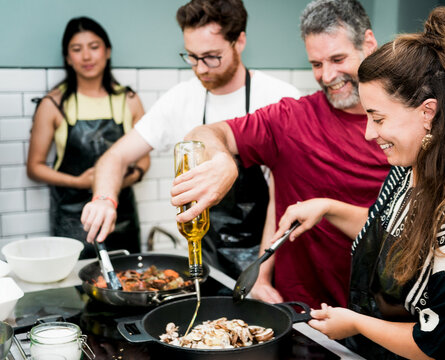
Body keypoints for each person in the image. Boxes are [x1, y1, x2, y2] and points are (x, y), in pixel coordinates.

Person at [272, 7, 445, 360]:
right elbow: (389, 232)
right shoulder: (410, 168)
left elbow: (440, 343)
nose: (369, 133)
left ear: (427, 112)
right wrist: (327, 207)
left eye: (377, 117)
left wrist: (356, 323)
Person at [172, 0, 390, 309]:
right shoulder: (292, 118)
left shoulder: (400, 126)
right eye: (316, 64)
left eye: (337, 59)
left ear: (368, 44)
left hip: (379, 313)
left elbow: (409, 230)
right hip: (302, 312)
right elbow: (204, 133)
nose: (327, 76)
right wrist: (222, 161)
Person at [80, 0, 301, 273]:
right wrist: (104, 198)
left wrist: (262, 274)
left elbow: (290, 194)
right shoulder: (180, 99)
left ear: (239, 41)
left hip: (271, 259)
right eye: (191, 57)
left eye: (211, 56)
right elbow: (115, 156)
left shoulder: (280, 98)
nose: (201, 68)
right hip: (208, 264)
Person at [27, 17, 149, 259]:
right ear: (67, 57)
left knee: (129, 281)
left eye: (94, 47)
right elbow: (35, 167)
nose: (86, 56)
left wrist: (114, 185)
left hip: (121, 216)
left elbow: (144, 163)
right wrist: (80, 182)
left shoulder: (129, 100)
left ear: (107, 52)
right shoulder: (53, 104)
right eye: (76, 49)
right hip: (73, 219)